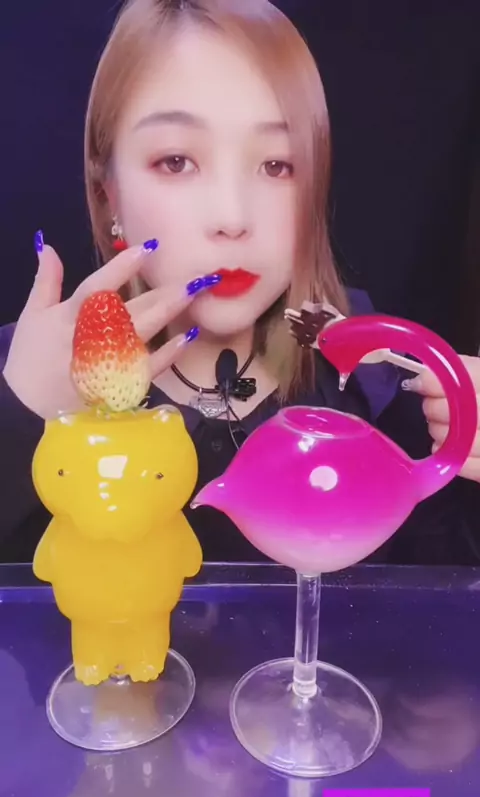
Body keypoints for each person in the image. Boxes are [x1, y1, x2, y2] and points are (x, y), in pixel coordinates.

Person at [1, 0, 480, 566]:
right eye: (176, 161)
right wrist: (18, 420)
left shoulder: (379, 386)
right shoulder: (22, 372)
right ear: (109, 194)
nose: (232, 217)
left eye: (277, 165)